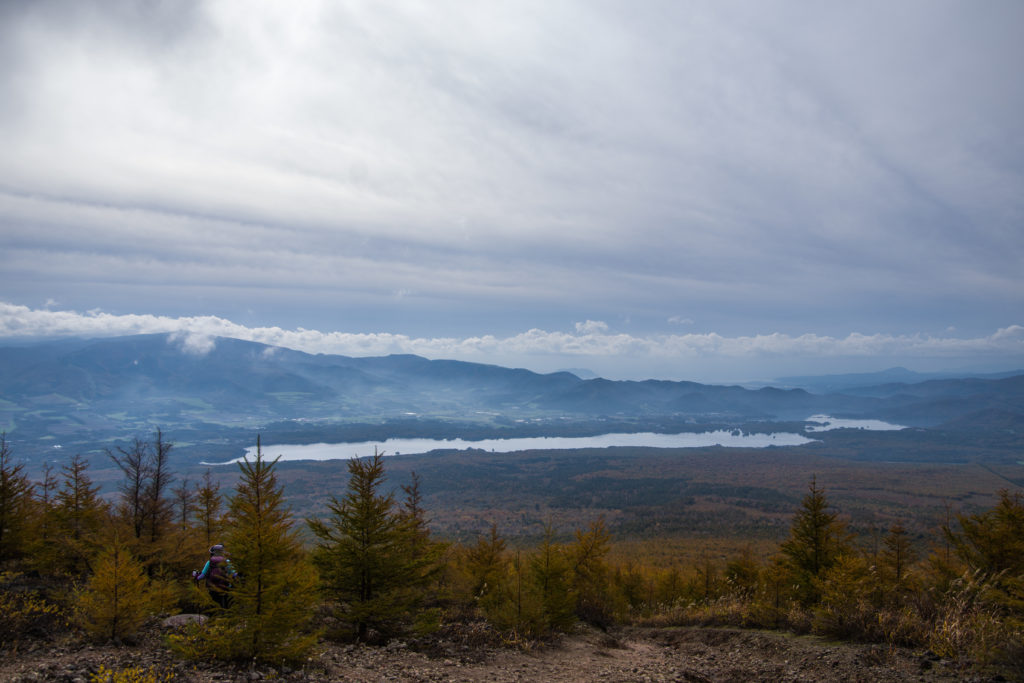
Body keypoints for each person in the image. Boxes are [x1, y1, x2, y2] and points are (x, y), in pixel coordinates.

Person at [192, 543, 237, 609]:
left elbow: (201, 576)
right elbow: (234, 574)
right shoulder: (227, 561)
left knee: (215, 606)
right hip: (225, 587)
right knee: (225, 606)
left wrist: (196, 576)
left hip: (212, 588)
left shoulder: (209, 562)